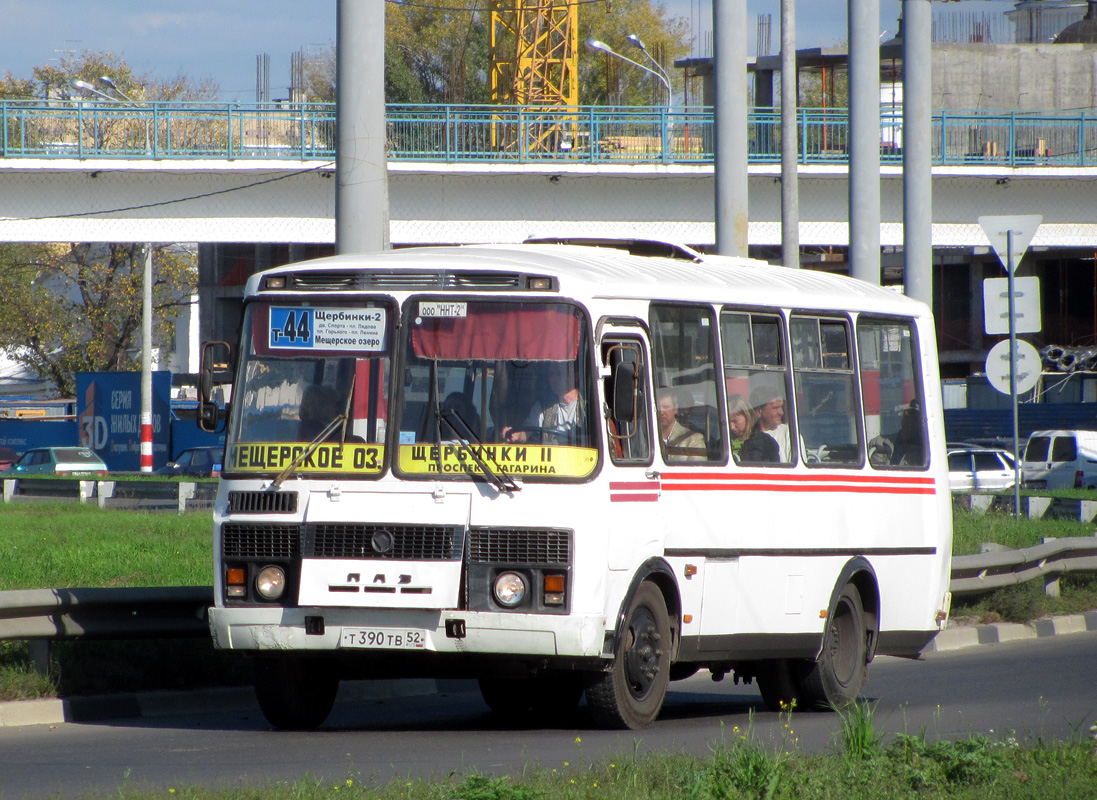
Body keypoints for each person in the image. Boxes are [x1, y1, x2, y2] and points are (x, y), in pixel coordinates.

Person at [503, 362, 584, 445]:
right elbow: (528, 430)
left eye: (559, 374)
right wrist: (517, 435)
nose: (554, 379)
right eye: (551, 374)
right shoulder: (543, 406)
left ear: (575, 376)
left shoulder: (588, 408)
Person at [728, 393, 779, 463]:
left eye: (735, 421)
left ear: (747, 415)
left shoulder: (765, 443)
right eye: (727, 422)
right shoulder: (720, 445)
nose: (731, 427)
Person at [657, 388, 706, 461]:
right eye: (657, 408)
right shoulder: (643, 439)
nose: (661, 412)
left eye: (666, 407)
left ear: (675, 408)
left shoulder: (693, 440)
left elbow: (697, 471)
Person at [751, 381, 791, 461]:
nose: (781, 412)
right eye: (775, 408)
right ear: (759, 411)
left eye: (781, 407)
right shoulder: (748, 435)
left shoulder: (789, 434)